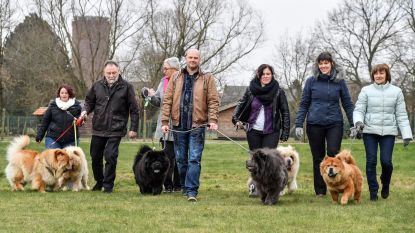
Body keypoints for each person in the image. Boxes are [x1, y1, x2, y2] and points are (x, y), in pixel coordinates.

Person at [161, 48, 219, 202]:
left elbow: (213, 100)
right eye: (190, 57)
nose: (193, 60)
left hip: (197, 125)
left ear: (199, 59)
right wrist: (165, 122)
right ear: (185, 58)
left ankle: (192, 191)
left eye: (196, 58)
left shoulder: (207, 78)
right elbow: (167, 100)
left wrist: (213, 120)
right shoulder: (176, 76)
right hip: (178, 125)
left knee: (194, 158)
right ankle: (186, 187)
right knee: (180, 159)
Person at [295, 51, 354, 197]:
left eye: (326, 63)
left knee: (334, 154)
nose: (323, 66)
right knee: (318, 158)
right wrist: (298, 124)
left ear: (332, 64)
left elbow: (347, 103)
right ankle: (320, 191)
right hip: (314, 124)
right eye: (320, 63)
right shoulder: (311, 81)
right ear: (318, 65)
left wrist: (353, 123)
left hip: (335, 123)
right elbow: (304, 104)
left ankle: (336, 186)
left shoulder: (339, 81)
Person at [351, 63, 413, 201]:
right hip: (369, 131)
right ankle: (373, 192)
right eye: (376, 73)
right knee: (371, 161)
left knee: (386, 162)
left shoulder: (396, 92)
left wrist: (406, 134)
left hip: (389, 132)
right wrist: (358, 122)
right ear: (373, 75)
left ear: (386, 75)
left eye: (381, 73)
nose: (378, 76)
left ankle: (385, 183)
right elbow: (359, 109)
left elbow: (401, 115)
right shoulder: (366, 90)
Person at [81, 60, 139, 193]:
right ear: (104, 73)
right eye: (109, 73)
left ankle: (108, 185)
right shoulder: (97, 86)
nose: (111, 75)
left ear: (119, 72)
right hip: (98, 127)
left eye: (114, 72)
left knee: (110, 156)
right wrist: (85, 111)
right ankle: (99, 181)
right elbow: (89, 101)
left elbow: (134, 109)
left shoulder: (127, 87)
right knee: (95, 156)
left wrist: (133, 128)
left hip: (116, 128)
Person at [232, 64, 290, 150]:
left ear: (272, 75)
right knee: (256, 160)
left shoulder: (278, 91)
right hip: (253, 131)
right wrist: (235, 119)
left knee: (268, 159)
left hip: (272, 132)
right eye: (263, 74)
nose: (265, 76)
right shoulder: (250, 89)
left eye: (268, 74)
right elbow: (241, 104)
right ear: (258, 75)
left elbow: (285, 112)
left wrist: (285, 132)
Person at [146, 57, 181, 192]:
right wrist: (149, 96)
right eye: (163, 68)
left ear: (174, 69)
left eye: (166, 68)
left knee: (180, 158)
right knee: (167, 158)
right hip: (165, 126)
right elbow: (158, 101)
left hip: (179, 126)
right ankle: (168, 185)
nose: (164, 71)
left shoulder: (182, 81)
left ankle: (179, 185)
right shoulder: (163, 82)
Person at [36, 84, 82, 149]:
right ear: (59, 94)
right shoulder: (53, 106)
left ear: (70, 94)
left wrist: (79, 121)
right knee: (52, 158)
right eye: (62, 93)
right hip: (53, 138)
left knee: (68, 159)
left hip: (71, 140)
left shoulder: (77, 107)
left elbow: (80, 120)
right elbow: (45, 122)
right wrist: (39, 136)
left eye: (66, 93)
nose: (64, 94)